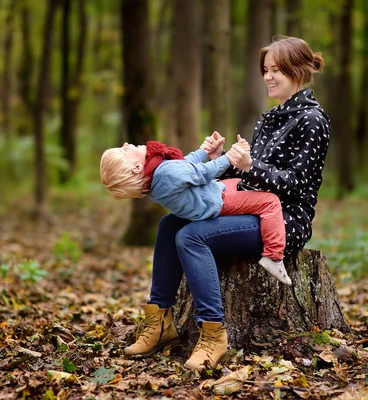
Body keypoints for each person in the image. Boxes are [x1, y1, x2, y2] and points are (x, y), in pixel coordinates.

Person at [116, 35, 330, 371]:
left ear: (298, 70)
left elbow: (297, 185)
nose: (268, 77)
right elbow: (247, 165)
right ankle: (160, 321)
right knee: (170, 224)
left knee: (192, 235)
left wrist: (249, 167)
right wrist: (221, 159)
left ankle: (214, 334)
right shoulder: (271, 117)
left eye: (277, 70)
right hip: (249, 202)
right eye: (266, 70)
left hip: (284, 219)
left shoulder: (312, 120)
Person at [100, 135, 291, 285]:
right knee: (270, 201)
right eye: (123, 151)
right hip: (217, 202)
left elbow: (186, 165)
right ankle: (273, 256)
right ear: (136, 167)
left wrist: (204, 150)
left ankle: (266, 226)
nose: (126, 144)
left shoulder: (158, 173)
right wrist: (229, 158)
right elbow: (202, 173)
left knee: (241, 183)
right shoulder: (166, 173)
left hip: (215, 194)